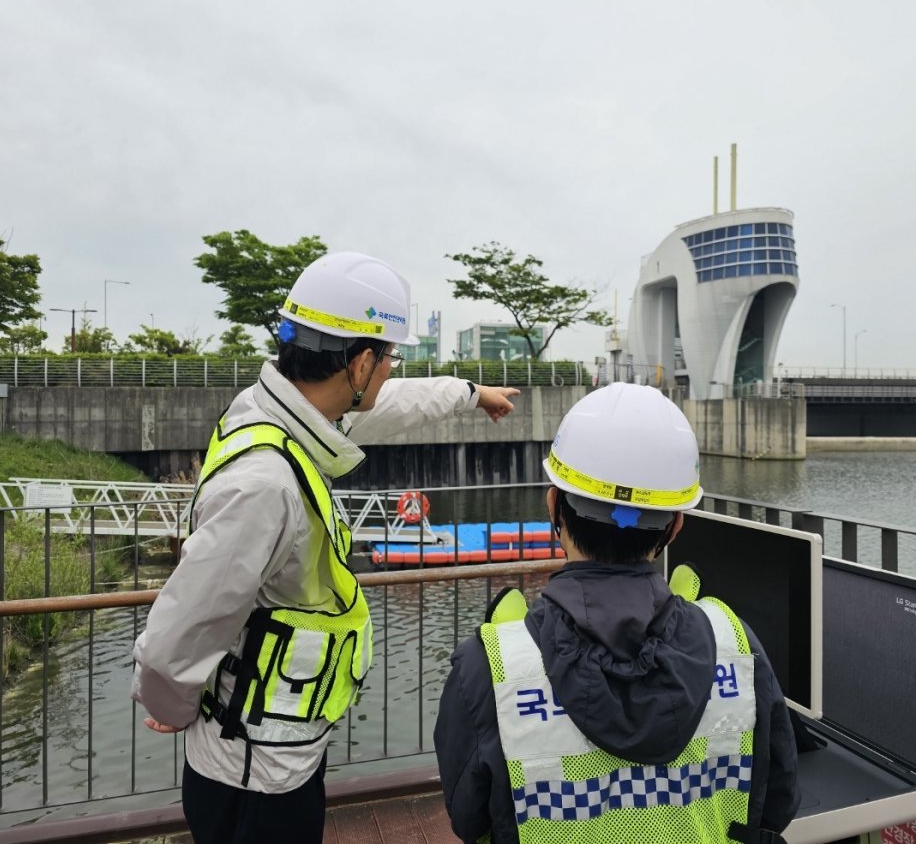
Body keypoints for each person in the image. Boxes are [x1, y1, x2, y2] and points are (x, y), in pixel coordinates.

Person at [131, 250, 519, 843]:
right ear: (360, 362)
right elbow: (170, 645)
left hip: (280, 756)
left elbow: (392, 406)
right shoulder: (263, 484)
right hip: (252, 777)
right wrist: (173, 702)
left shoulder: (281, 413)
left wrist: (470, 393)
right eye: (388, 357)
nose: (390, 370)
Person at [434, 382, 799, 844]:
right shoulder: (737, 648)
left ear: (554, 508)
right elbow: (778, 802)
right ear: (676, 525)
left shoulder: (491, 669)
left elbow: (468, 817)